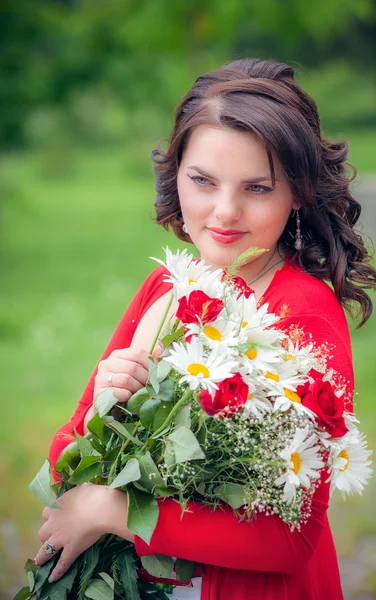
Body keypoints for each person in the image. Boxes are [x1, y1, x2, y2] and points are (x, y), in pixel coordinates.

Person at [33, 58, 376, 600]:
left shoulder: (303, 314)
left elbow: (290, 539)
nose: (224, 212)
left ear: (298, 194)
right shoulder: (165, 287)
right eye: (202, 180)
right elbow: (63, 469)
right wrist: (105, 409)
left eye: (257, 188)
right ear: (175, 175)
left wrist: (113, 509)